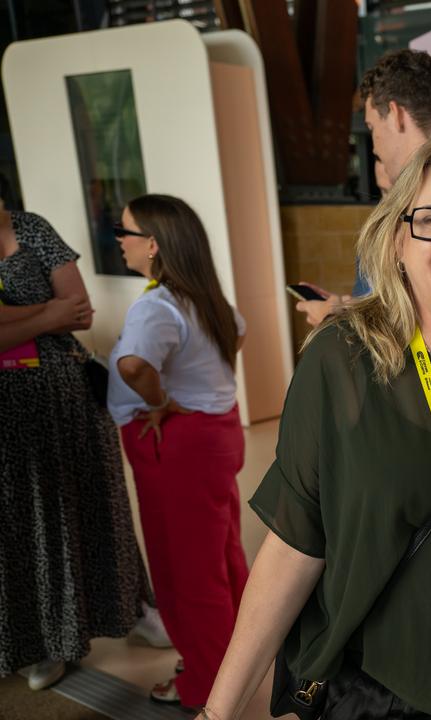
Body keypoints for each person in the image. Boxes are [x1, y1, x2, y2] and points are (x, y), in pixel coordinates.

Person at [201, 135, 431, 720]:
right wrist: (217, 712)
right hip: (378, 693)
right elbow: (295, 543)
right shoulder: (343, 360)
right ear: (399, 237)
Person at [107, 194, 249, 707]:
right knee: (222, 556)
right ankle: (238, 659)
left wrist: (162, 400)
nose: (117, 241)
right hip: (217, 433)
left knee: (186, 572)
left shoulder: (157, 305)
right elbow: (235, 338)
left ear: (152, 244)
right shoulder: (208, 299)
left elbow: (132, 366)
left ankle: (207, 686)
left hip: (178, 445)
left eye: (123, 232)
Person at [0, 209, 148, 692]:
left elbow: (79, 309)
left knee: (92, 506)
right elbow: (62, 311)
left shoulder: (32, 228)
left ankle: (125, 608)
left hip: (66, 398)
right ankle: (38, 642)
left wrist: (13, 320)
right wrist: (47, 314)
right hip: (9, 418)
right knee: (23, 525)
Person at [295, 48, 431, 327]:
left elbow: (405, 328)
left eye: (371, 127)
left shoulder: (417, 203)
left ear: (395, 114)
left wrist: (332, 319)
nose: (375, 145)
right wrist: (347, 306)